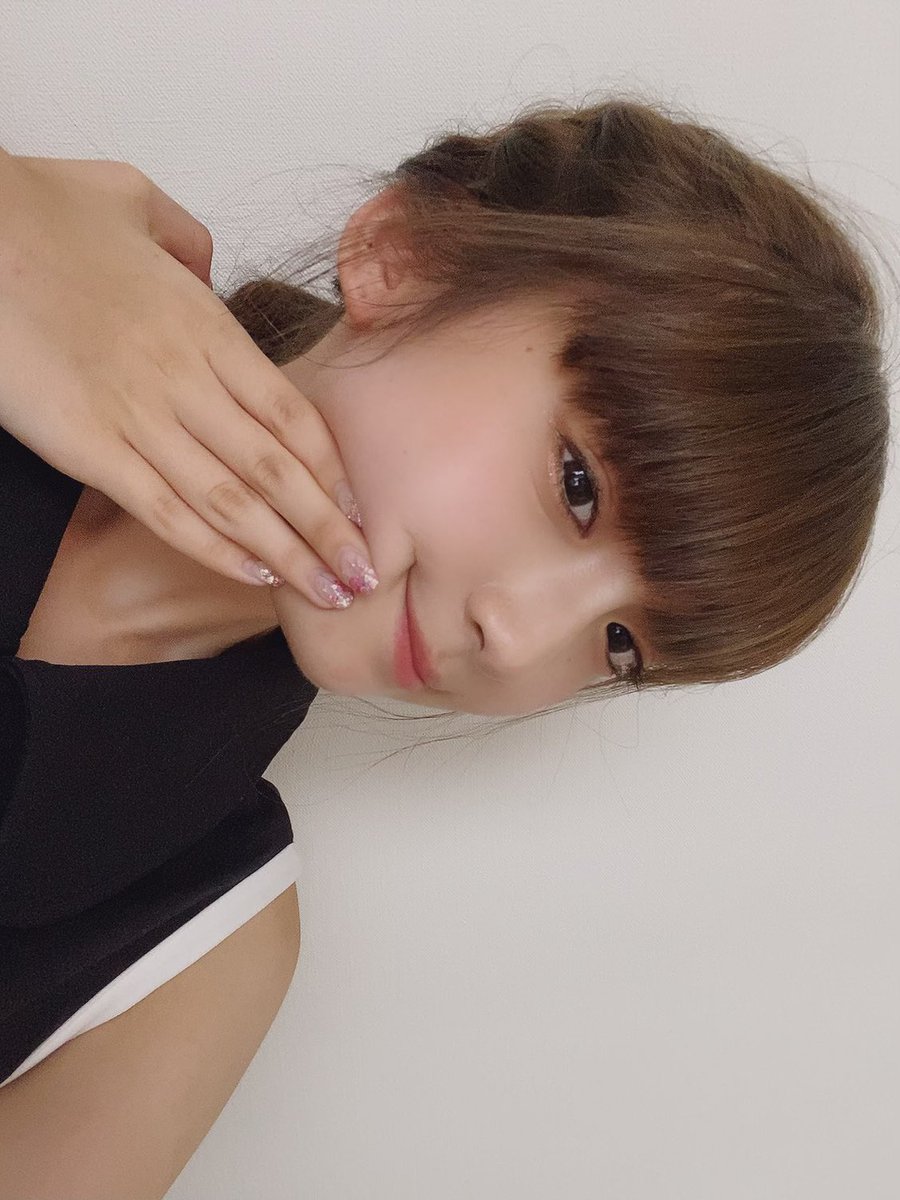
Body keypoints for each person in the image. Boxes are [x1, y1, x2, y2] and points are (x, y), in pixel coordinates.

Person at [0, 97, 892, 1195]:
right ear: (406, 259)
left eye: (620, 645)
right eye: (577, 485)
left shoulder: (195, 940)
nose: (519, 638)